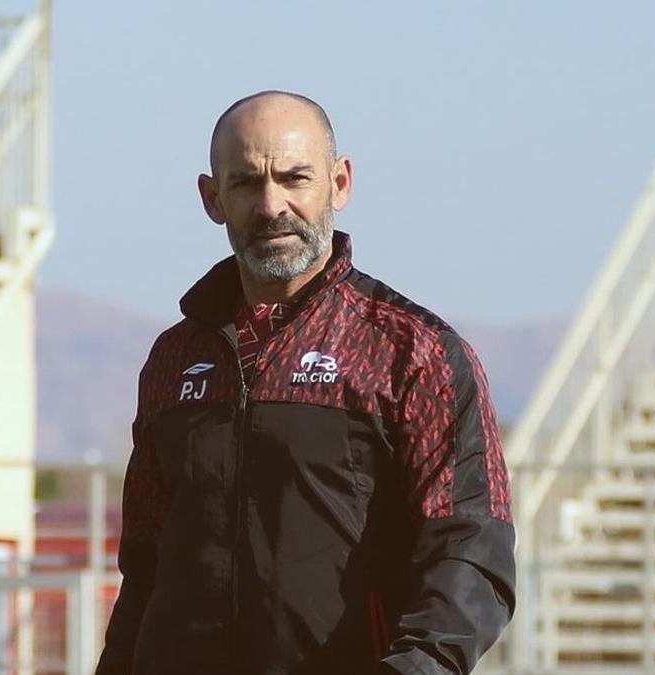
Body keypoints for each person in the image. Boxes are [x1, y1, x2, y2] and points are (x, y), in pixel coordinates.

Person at [96, 90, 515, 675]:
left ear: (339, 184)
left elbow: (471, 551)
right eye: (245, 183)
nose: (272, 205)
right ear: (212, 198)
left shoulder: (413, 352)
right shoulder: (174, 359)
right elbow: (145, 564)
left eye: (295, 178)